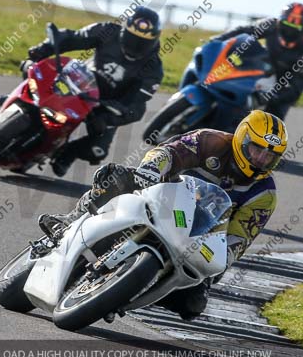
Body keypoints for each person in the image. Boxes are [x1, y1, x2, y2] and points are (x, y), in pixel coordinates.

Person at [39, 110, 287, 321]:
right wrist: (149, 172)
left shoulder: (264, 193)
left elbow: (240, 238)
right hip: (160, 197)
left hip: (194, 236)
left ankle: (126, 295)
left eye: (269, 156)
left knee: (193, 305)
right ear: (242, 138)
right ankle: (68, 221)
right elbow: (168, 153)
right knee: (115, 178)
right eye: (257, 150)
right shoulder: (210, 141)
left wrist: (217, 268)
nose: (261, 159)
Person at [25, 6, 164, 177]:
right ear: (125, 31)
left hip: (106, 105)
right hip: (81, 81)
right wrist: (41, 50)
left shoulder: (154, 69)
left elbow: (136, 103)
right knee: (35, 72)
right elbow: (72, 38)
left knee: (97, 150)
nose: (136, 45)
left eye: (143, 42)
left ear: (153, 40)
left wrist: (108, 119)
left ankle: (67, 153)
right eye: (133, 38)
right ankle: (20, 104)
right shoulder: (107, 31)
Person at [215, 2, 303, 120]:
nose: (290, 30)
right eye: (286, 24)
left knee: (273, 122)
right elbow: (244, 31)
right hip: (261, 68)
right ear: (280, 22)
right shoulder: (270, 25)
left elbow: (295, 90)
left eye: (296, 28)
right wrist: (218, 40)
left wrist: (270, 97)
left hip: (282, 86)